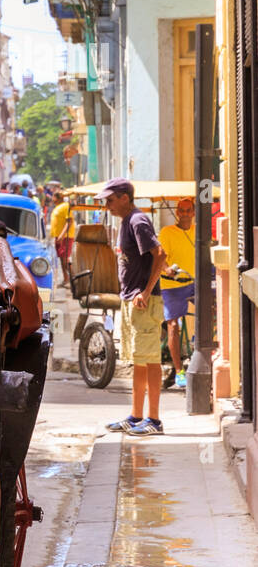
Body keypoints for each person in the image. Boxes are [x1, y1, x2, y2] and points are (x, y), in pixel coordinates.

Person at [102, 179, 170, 437]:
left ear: (125, 198)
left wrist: (146, 290)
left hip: (145, 301)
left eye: (110, 200)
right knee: (138, 361)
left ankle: (154, 419)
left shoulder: (137, 221)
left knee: (151, 360)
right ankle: (136, 415)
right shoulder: (126, 221)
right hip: (133, 299)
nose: (107, 206)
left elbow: (160, 254)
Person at [158, 198, 196, 390]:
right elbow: (160, 257)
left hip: (194, 283)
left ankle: (200, 342)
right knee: (173, 326)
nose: (185, 214)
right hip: (172, 285)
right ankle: (179, 369)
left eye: (188, 210)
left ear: (194, 213)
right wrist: (166, 270)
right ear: (177, 213)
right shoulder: (167, 232)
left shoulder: (198, 231)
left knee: (214, 309)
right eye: (181, 210)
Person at [50, 191, 74, 288]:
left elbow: (69, 222)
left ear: (57, 197)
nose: (52, 198)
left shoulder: (65, 206)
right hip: (59, 237)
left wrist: (61, 236)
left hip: (65, 237)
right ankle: (66, 279)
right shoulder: (58, 207)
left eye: (53, 196)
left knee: (65, 259)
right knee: (62, 259)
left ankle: (71, 279)